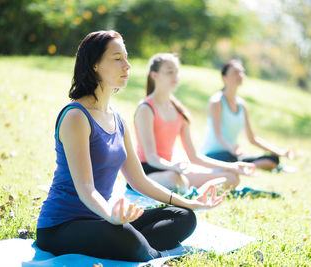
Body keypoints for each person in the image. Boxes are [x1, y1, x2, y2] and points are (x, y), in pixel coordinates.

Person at [36, 31, 226, 262]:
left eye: (126, 58)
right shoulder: (76, 116)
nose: (127, 65)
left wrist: (191, 202)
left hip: (103, 221)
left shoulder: (118, 120)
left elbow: (140, 181)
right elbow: (86, 188)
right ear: (95, 65)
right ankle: (153, 255)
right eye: (117, 58)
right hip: (62, 226)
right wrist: (112, 217)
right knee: (123, 235)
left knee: (183, 217)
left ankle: (137, 247)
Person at [132, 53, 255, 195]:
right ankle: (192, 194)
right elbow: (151, 156)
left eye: (176, 72)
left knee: (232, 177)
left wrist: (232, 166)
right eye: (169, 72)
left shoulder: (179, 111)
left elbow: (194, 157)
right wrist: (174, 167)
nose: (175, 76)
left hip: (173, 171)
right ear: (154, 75)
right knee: (175, 179)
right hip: (147, 173)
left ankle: (198, 195)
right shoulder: (146, 108)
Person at [202, 59, 294, 171]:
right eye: (235, 72)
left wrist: (279, 152)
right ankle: (242, 168)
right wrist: (233, 149)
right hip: (214, 155)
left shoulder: (242, 105)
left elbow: (252, 139)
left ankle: (244, 167)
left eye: (241, 72)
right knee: (231, 159)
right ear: (224, 77)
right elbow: (218, 136)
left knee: (273, 159)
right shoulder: (216, 101)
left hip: (234, 155)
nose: (240, 75)